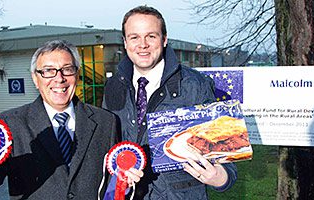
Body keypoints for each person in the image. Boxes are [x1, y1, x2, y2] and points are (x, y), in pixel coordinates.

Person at [0, 40, 143, 199]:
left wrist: (125, 182)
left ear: (76, 75)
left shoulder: (106, 121)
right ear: (35, 79)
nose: (59, 78)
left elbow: (114, 181)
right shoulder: (9, 124)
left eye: (67, 69)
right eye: (48, 71)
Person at [102, 6, 237, 199]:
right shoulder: (113, 86)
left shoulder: (196, 85)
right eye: (134, 37)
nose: (143, 45)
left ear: (164, 40)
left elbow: (225, 154)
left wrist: (221, 178)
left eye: (151, 36)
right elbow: (108, 146)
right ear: (125, 42)